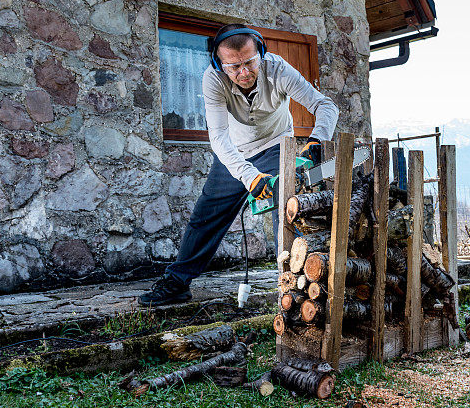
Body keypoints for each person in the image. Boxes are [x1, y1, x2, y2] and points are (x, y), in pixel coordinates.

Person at [139, 24, 339, 305]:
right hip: (233, 153)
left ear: (260, 53)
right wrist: (248, 175)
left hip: (276, 146)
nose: (243, 73)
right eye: (234, 67)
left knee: (286, 208)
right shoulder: (212, 79)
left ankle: (294, 286)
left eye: (249, 63)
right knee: (205, 217)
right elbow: (218, 137)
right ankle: (176, 283)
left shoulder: (277, 69)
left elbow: (326, 106)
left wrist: (317, 141)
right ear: (219, 63)